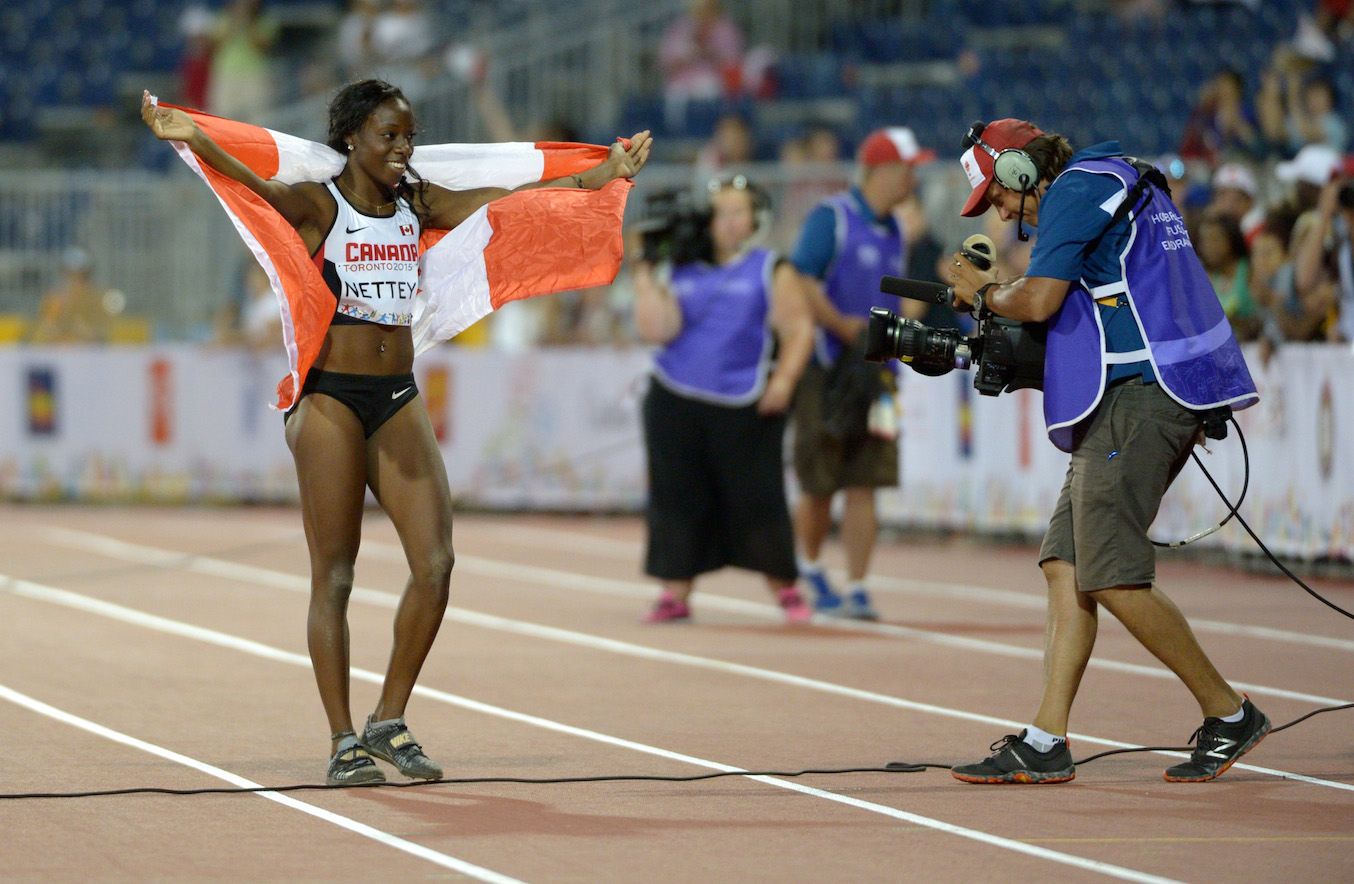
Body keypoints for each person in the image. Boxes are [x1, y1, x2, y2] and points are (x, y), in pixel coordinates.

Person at [141, 80, 652, 785]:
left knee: (436, 564)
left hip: (396, 393)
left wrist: (599, 176)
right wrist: (195, 138)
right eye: (388, 136)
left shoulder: (417, 202)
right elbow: (256, 187)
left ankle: (388, 719)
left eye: (409, 136)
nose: (403, 149)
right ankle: (341, 739)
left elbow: (509, 200)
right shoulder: (324, 204)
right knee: (338, 575)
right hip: (330, 398)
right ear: (351, 138)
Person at [946, 118, 1268, 784]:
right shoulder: (1107, 177)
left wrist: (983, 294)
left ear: (1018, 172)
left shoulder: (1075, 188)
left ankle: (1229, 711)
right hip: (1147, 388)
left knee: (1110, 572)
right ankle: (1045, 738)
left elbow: (1038, 300)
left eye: (999, 197)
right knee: (1066, 560)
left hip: (1146, 391)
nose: (1002, 212)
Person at [633, 176, 815, 623]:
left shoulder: (772, 268)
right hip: (674, 396)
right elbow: (658, 331)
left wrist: (785, 380)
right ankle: (675, 591)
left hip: (744, 401)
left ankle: (785, 588)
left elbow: (799, 330)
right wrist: (644, 271)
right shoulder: (680, 266)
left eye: (739, 211)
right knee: (676, 497)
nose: (729, 221)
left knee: (759, 497)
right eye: (721, 212)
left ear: (756, 218)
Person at [789, 127, 934, 620]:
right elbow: (799, 277)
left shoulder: (897, 229)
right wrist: (840, 325)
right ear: (882, 170)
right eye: (908, 168)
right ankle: (808, 568)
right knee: (820, 479)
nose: (913, 178)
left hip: (880, 373)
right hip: (827, 367)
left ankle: (857, 586)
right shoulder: (832, 218)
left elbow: (900, 297)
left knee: (867, 479)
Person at [29, 248, 114, 345]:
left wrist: (85, 333)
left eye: (81, 275)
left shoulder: (98, 298)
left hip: (88, 355)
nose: (75, 280)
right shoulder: (54, 298)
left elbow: (103, 333)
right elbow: (44, 329)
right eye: (70, 274)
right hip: (58, 353)